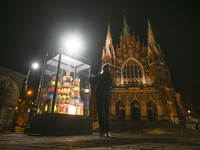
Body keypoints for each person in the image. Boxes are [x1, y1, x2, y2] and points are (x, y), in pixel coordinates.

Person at [89, 63, 113, 137]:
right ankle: (108, 131)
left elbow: (92, 82)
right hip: (107, 97)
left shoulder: (101, 76)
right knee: (106, 114)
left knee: (101, 114)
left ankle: (103, 131)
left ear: (103, 69)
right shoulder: (110, 77)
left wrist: (90, 77)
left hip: (100, 96)